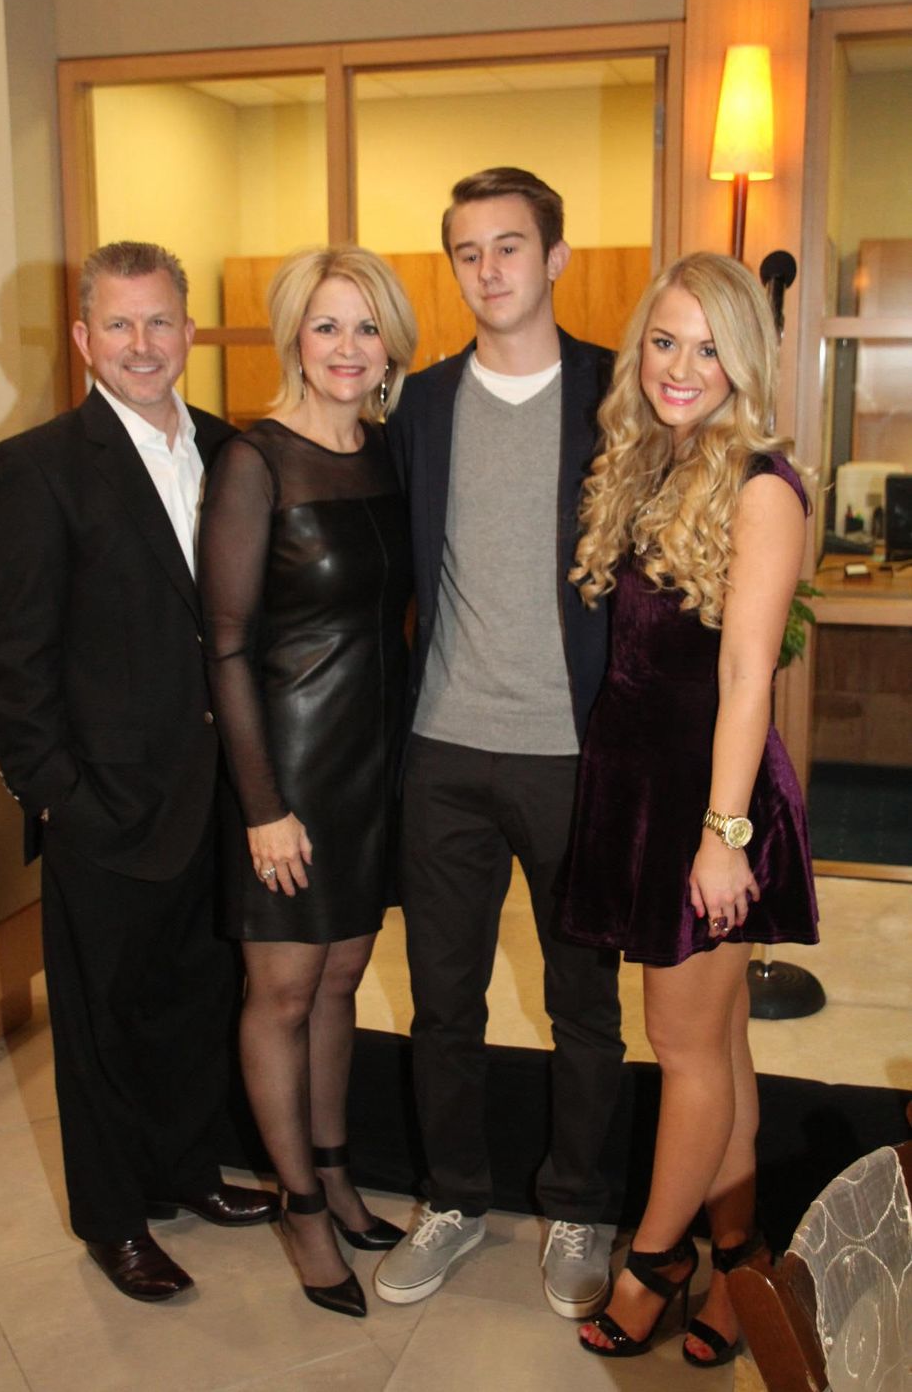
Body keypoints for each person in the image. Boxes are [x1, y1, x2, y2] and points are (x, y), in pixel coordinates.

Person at [0, 241, 280, 1303]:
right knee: (102, 1028)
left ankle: (186, 1170)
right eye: (118, 324)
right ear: (83, 338)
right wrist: (56, 796)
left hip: (218, 798)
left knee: (197, 1001)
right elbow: (14, 658)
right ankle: (114, 1220)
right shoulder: (35, 468)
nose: (141, 345)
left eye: (158, 322)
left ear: (187, 331)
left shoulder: (234, 451)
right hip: (104, 804)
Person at [557, 251, 819, 1364]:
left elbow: (749, 678)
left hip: (708, 804)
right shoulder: (656, 461)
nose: (679, 366)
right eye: (664, 340)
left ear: (744, 361)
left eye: (708, 348)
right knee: (719, 1046)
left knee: (682, 1048)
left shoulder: (760, 484)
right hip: (646, 789)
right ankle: (737, 1263)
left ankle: (656, 1260)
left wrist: (723, 839)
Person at [375, 168, 625, 1315]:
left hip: (575, 753)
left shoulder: (617, 394)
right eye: (467, 251)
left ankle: (580, 1207)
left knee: (582, 1004)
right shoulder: (420, 405)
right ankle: (452, 1198)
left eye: (509, 246)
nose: (488, 270)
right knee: (442, 1003)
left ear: (554, 257)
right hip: (442, 749)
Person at [197, 245, 417, 1318]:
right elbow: (226, 643)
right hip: (285, 766)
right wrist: (263, 807)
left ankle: (334, 1170)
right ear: (294, 334)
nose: (347, 346)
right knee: (282, 991)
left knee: (339, 981)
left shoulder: (385, 453)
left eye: (366, 326)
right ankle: (298, 1206)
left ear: (390, 344)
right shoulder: (255, 460)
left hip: (371, 765)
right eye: (327, 324)